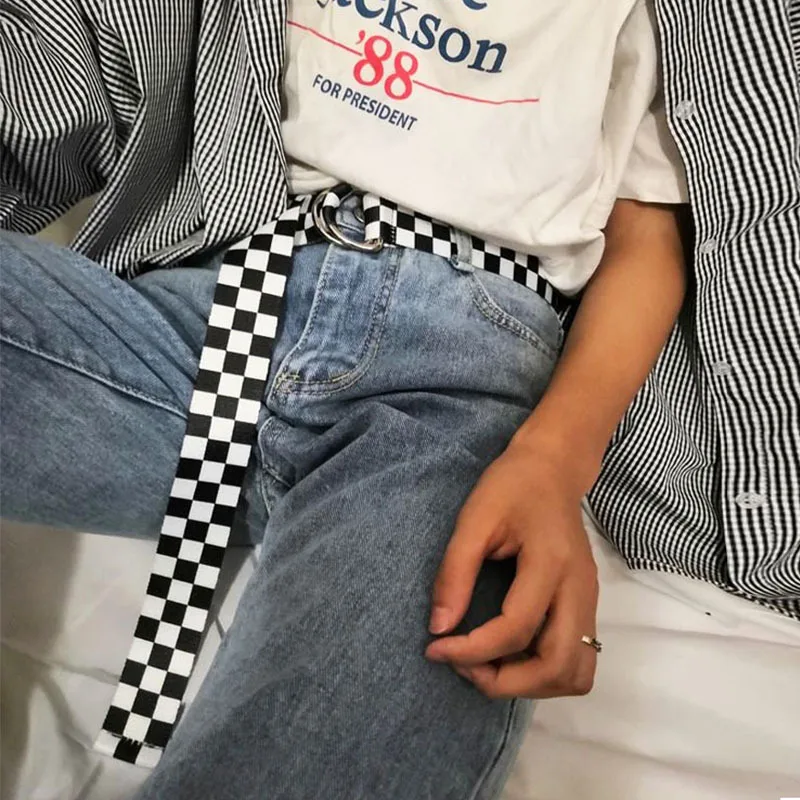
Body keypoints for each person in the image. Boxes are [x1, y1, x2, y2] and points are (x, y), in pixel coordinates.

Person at [0, 2, 796, 800]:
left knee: (404, 683)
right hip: (208, 303)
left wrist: (554, 462)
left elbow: (649, 237)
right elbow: (56, 69)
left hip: (454, 373)